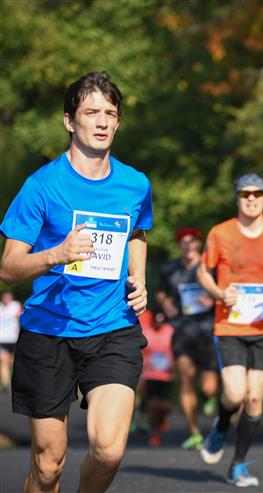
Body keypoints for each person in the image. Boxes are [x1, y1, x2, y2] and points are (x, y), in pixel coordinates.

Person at [0, 71, 152, 493]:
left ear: (118, 122)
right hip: (49, 332)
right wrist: (57, 254)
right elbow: (8, 268)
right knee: (48, 467)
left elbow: (137, 233)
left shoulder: (135, 184)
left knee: (109, 451)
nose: (102, 121)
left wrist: (138, 277)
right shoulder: (41, 186)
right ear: (70, 121)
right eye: (91, 112)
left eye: (110, 113)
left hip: (113, 328)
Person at [196, 173, 263, 487]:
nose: (251, 199)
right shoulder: (221, 232)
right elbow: (203, 272)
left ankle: (238, 465)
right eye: (245, 194)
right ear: (238, 198)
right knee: (234, 394)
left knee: (254, 399)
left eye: (257, 193)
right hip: (229, 324)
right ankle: (221, 425)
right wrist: (219, 294)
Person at [156, 226, 220, 450]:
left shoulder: (212, 267)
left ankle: (210, 397)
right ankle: (194, 432)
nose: (188, 245)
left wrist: (214, 299)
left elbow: (227, 290)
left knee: (209, 387)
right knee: (186, 377)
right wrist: (165, 302)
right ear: (179, 245)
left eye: (192, 241)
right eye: (184, 241)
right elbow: (160, 292)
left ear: (199, 244)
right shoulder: (170, 269)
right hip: (182, 330)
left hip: (208, 330)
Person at [140, 308, 175, 447]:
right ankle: (154, 433)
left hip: (166, 375)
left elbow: (175, 349)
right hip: (150, 374)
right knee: (153, 405)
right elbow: (140, 351)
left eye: (161, 321)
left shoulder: (170, 331)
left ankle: (162, 417)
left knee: (165, 406)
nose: (158, 324)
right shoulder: (146, 332)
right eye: (156, 321)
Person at [0, 291, 22, 393]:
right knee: (3, 360)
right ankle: (5, 384)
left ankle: (18, 383)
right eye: (5, 298)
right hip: (2, 338)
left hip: (14, 338)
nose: (6, 299)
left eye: (8, 297)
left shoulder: (15, 305)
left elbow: (21, 316)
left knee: (14, 361)